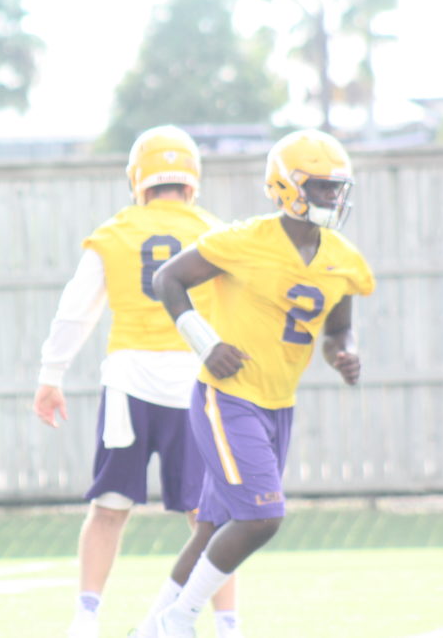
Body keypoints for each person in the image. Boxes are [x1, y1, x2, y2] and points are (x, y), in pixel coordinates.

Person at [135, 129, 375, 637]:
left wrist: (344, 353)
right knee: (262, 516)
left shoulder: (342, 259)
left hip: (278, 403)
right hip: (228, 397)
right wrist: (205, 342)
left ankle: (148, 629)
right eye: (322, 187)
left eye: (337, 189)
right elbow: (167, 280)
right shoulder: (245, 240)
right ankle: (177, 621)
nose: (333, 198)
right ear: (287, 187)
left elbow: (337, 328)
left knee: (211, 529)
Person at [32, 125, 243, 638]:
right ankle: (227, 625)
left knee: (108, 507)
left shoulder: (114, 232)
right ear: (192, 181)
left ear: (138, 180)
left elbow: (75, 310)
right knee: (208, 519)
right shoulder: (216, 231)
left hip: (129, 385)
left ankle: (86, 618)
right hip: (195, 386)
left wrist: (50, 374)